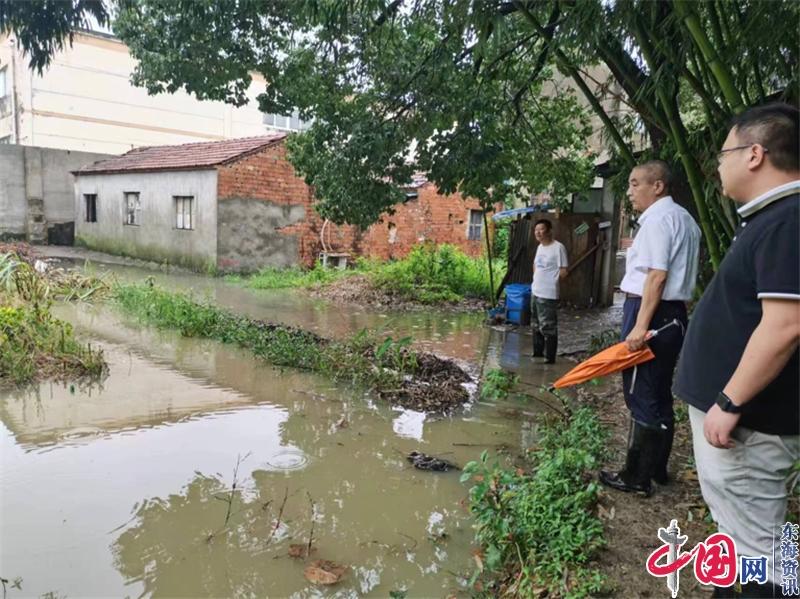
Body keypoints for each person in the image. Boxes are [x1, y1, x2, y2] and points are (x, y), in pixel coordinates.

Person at [674, 103, 799, 598]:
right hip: (747, 424)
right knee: (756, 540)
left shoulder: (788, 221)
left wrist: (729, 401)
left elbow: (787, 324)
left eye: (723, 152)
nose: (717, 165)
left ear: (754, 154)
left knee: (758, 553)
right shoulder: (773, 219)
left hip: (749, 425)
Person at [599, 160, 700, 496]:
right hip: (672, 315)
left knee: (640, 393)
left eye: (635, 183)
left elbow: (657, 276)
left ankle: (636, 476)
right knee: (657, 393)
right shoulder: (685, 219)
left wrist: (640, 327)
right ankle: (656, 469)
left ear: (658, 185)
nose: (630, 191)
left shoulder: (658, 220)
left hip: (652, 313)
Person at [530, 218, 568, 364]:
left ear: (549, 231)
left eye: (541, 230)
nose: (538, 233)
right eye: (536, 230)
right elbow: (535, 265)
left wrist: (552, 282)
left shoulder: (558, 247)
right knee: (535, 323)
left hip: (548, 293)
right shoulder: (540, 247)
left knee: (548, 325)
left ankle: (549, 356)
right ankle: (537, 352)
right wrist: (536, 280)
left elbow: (564, 271)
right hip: (535, 290)